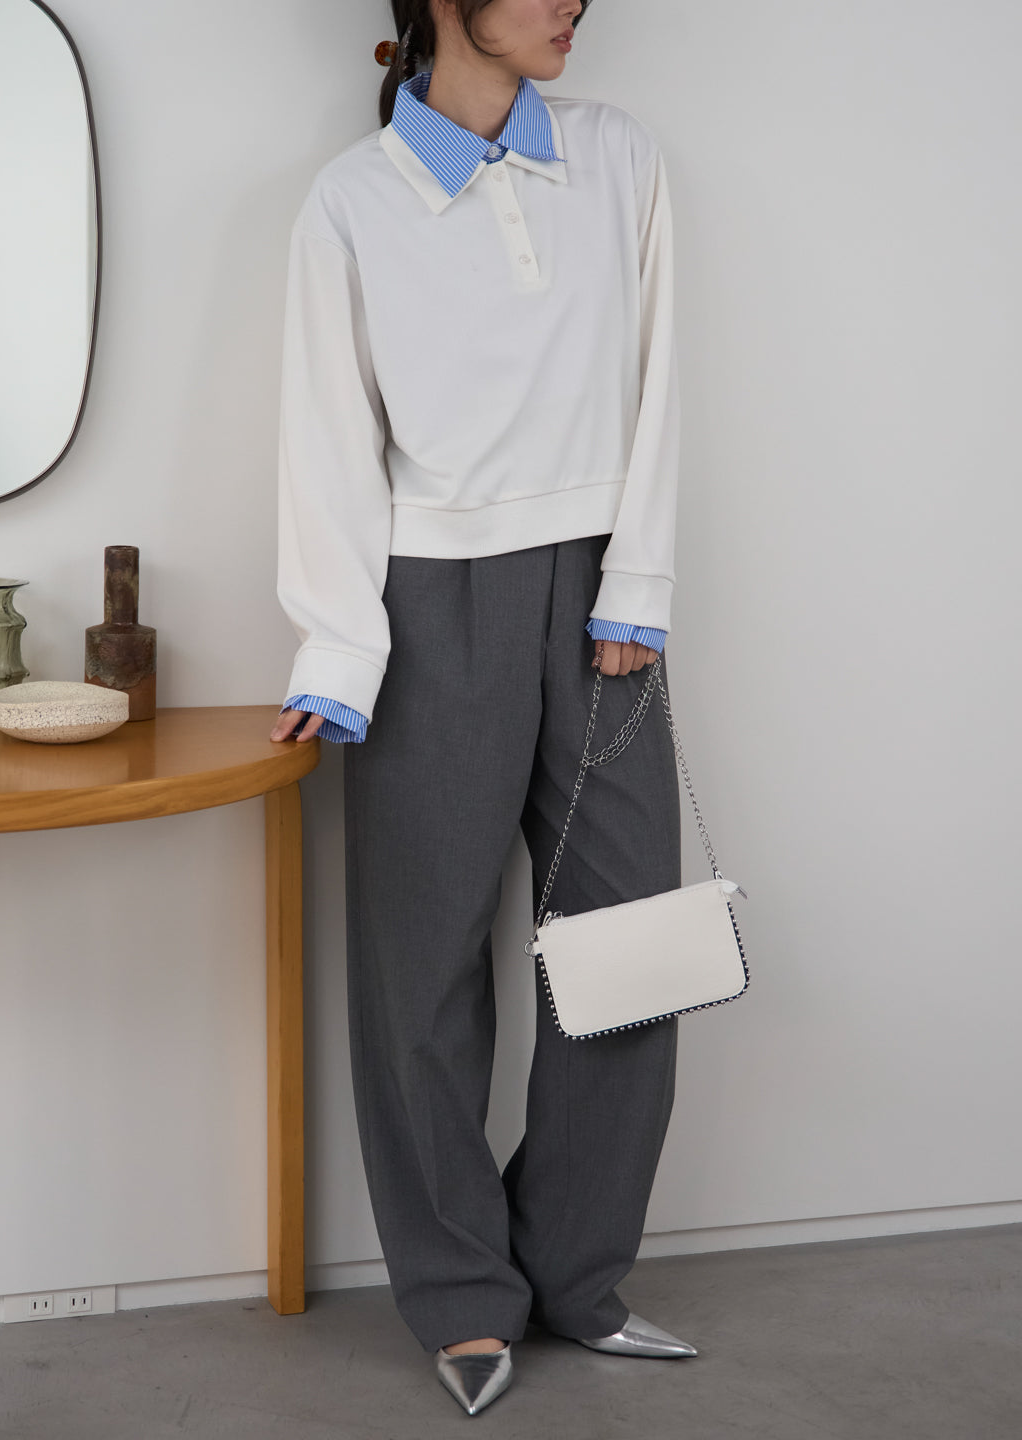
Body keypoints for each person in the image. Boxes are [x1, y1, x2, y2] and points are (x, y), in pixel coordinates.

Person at [270, 0, 696, 1416]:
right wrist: (339, 652)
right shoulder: (351, 202)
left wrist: (638, 582)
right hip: (425, 606)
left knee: (629, 950)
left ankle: (577, 1275)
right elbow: (327, 436)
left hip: (601, 600)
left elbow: (663, 375)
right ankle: (459, 1293)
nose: (576, 2)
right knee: (424, 971)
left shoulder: (618, 157)